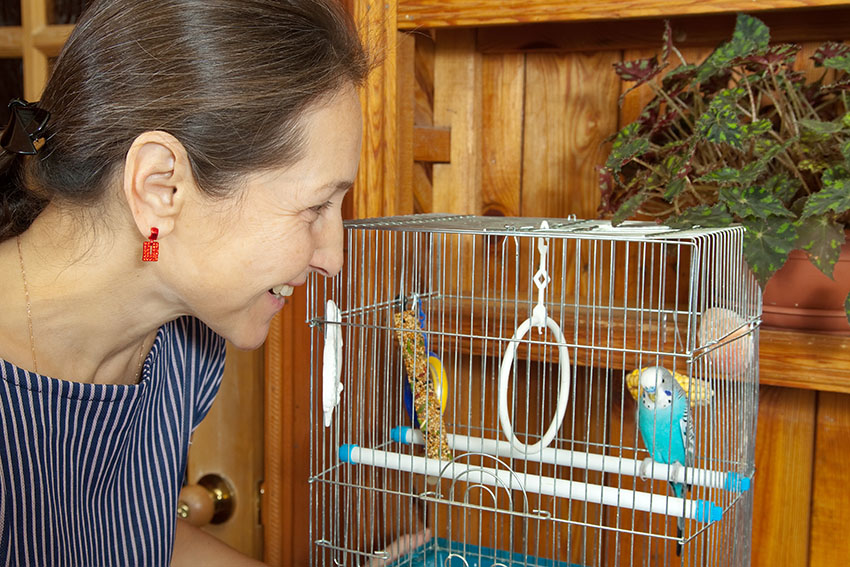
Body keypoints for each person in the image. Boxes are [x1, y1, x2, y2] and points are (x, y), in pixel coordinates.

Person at [0, 0, 368, 565]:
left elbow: (131, 535)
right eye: (315, 206)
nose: (334, 259)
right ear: (160, 188)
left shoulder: (187, 348)